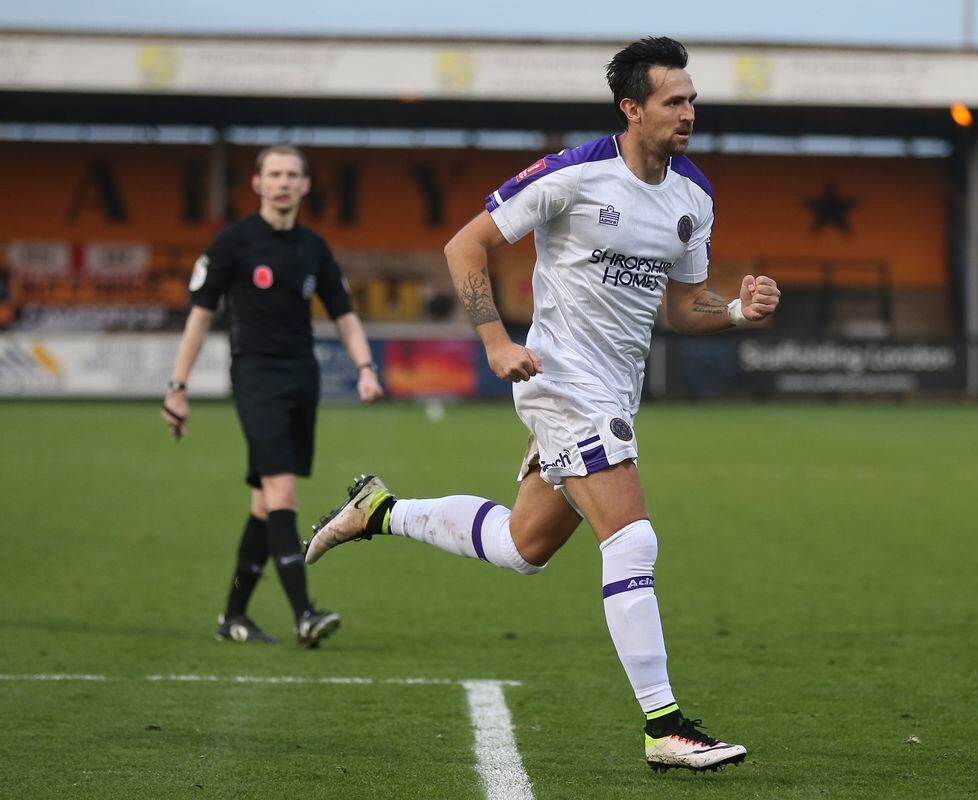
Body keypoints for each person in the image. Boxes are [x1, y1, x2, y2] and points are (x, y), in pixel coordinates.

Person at [307, 37, 779, 770]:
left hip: (615, 394)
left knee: (523, 548)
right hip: (561, 382)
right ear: (632, 108)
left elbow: (683, 308)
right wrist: (495, 341)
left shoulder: (694, 195)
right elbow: (464, 245)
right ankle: (665, 725)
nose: (689, 112)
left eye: (692, 100)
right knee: (632, 538)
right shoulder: (572, 173)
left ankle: (380, 511)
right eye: (673, 101)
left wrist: (740, 313)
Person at [162, 145, 384, 648]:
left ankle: (233, 616)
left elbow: (344, 314)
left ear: (306, 186)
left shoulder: (313, 248)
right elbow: (199, 315)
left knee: (265, 505)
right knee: (282, 493)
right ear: (258, 183)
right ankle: (305, 614)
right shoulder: (232, 243)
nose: (283, 182)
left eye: (293, 175)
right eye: (274, 174)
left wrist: (365, 368)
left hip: (301, 380)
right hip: (255, 378)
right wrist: (177, 387)